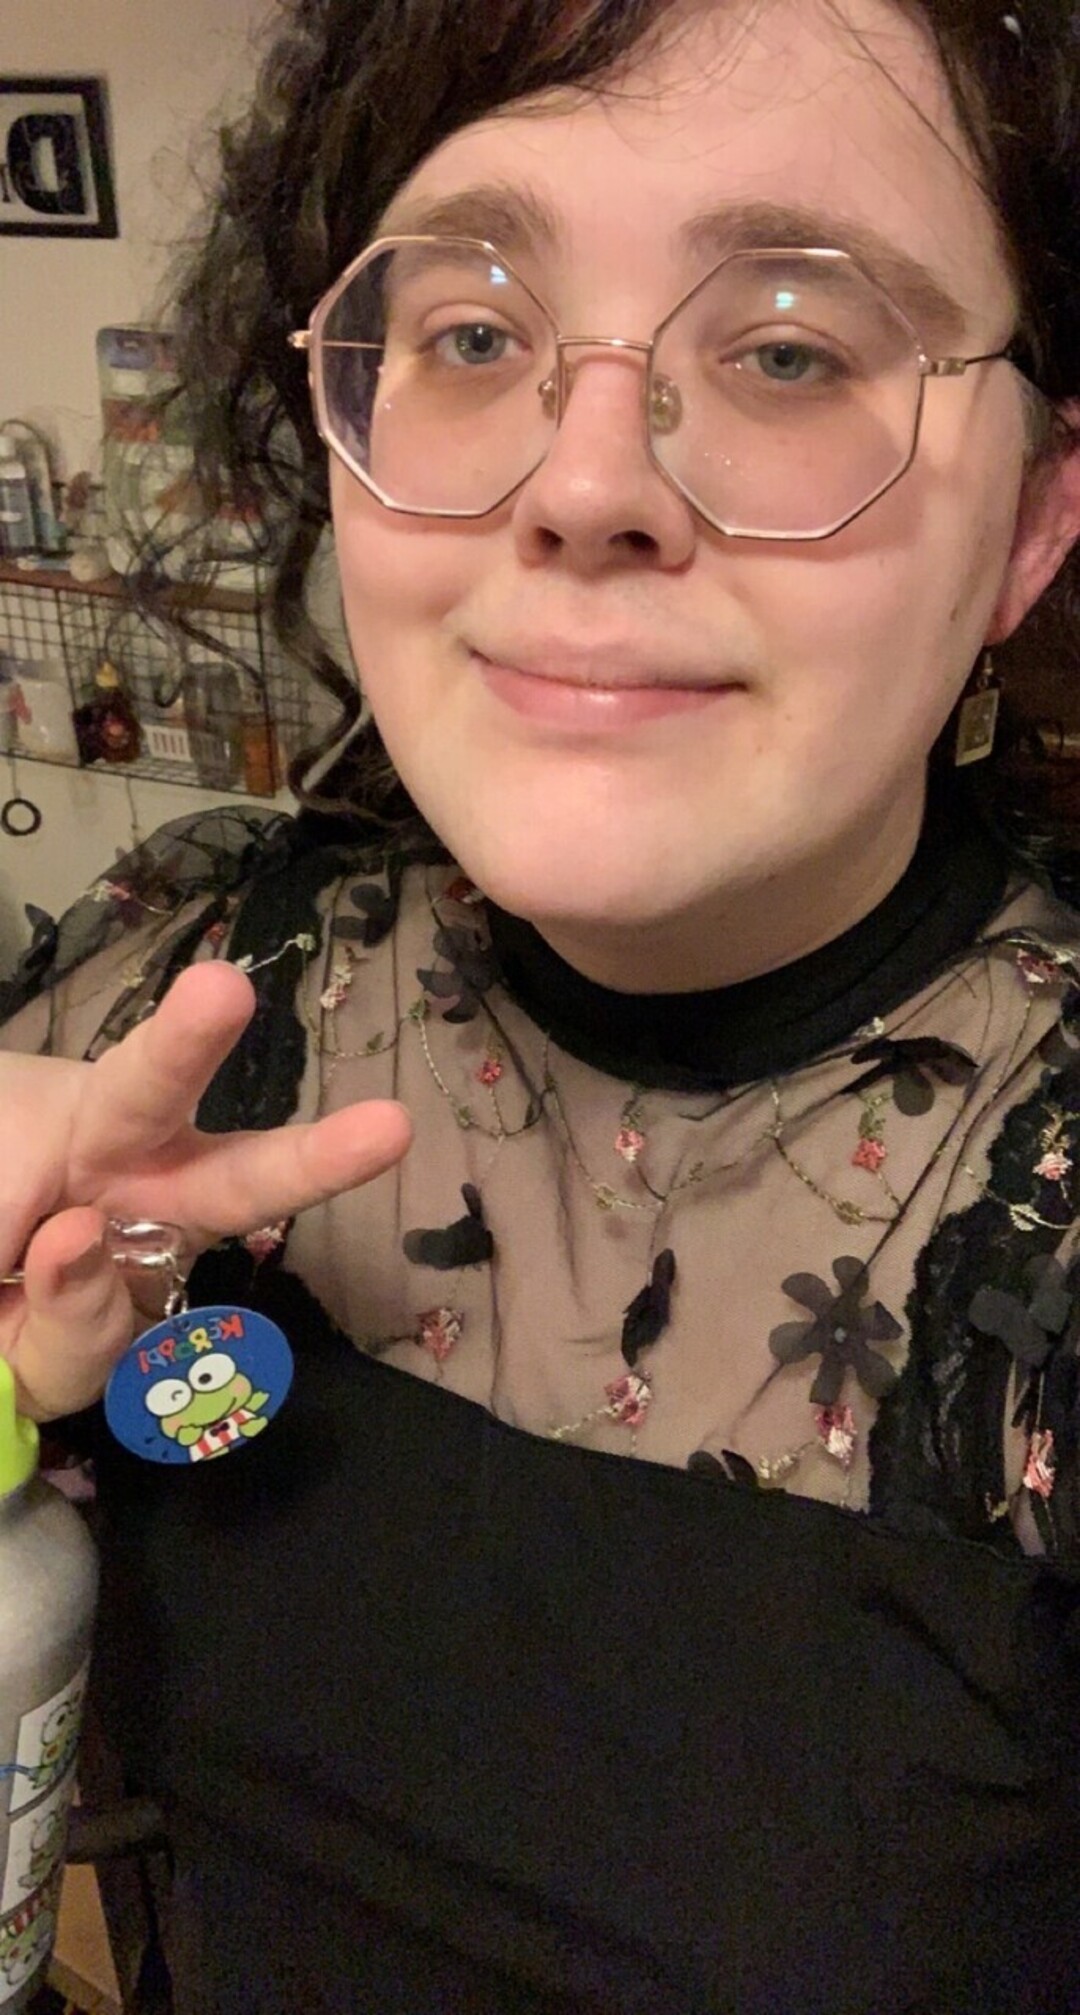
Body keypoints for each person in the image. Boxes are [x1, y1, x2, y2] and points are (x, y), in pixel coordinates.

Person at [3, 0, 1080, 2007]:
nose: (586, 485)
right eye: (476, 332)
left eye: (787, 348)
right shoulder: (194, 994)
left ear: (1033, 519)